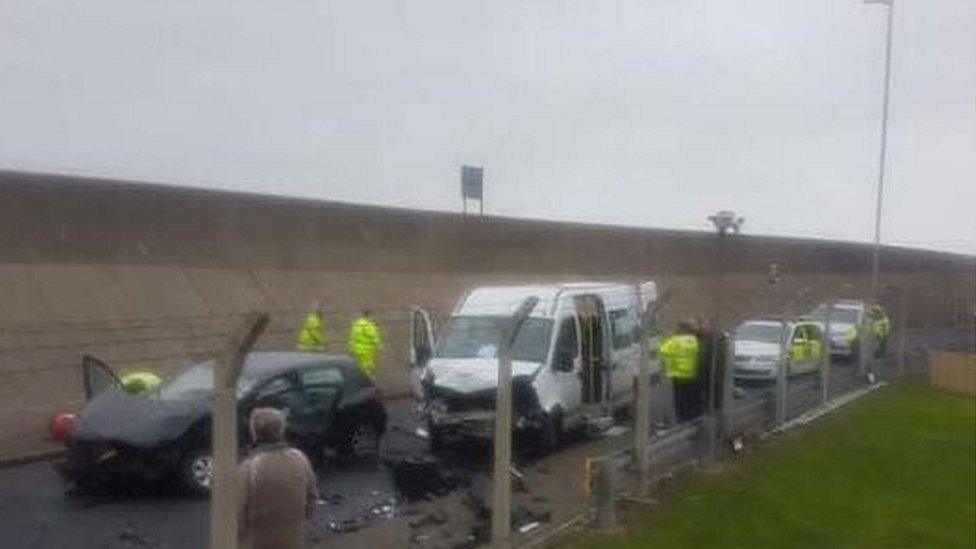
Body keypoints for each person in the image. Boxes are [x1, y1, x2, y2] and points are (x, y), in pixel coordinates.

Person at [237, 407, 318, 549]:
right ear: (281, 430)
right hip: (294, 539)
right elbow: (311, 498)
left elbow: (238, 514)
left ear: (254, 433)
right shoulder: (299, 458)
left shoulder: (248, 468)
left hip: (258, 541)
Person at [658, 320, 700, 423]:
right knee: (693, 399)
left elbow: (663, 350)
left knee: (681, 401)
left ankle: (683, 421)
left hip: (678, 375)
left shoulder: (675, 341)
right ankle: (694, 419)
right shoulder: (694, 340)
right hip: (692, 374)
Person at [347, 310, 384, 377]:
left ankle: (361, 375)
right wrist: (379, 345)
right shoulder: (368, 325)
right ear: (369, 316)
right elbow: (373, 336)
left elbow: (352, 336)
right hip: (367, 348)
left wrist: (351, 347)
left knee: (360, 364)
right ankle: (366, 378)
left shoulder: (356, 324)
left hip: (357, 348)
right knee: (367, 365)